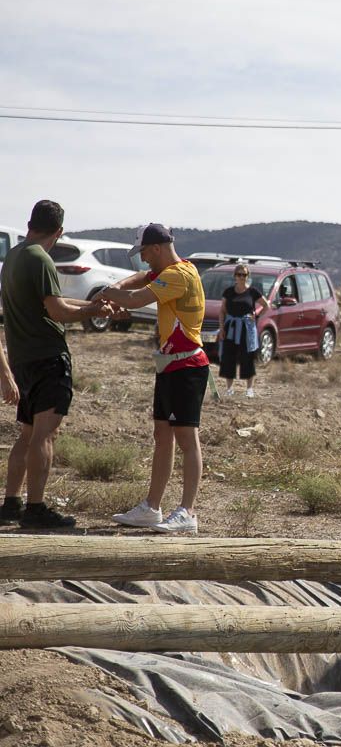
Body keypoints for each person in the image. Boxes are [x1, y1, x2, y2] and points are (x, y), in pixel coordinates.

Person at [1, 200, 114, 528]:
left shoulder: (14, 257)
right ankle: (35, 508)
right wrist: (92, 313)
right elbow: (57, 311)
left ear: (30, 223)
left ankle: (11, 503)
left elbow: (54, 302)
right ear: (60, 232)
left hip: (23, 359)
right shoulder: (41, 259)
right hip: (48, 357)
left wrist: (92, 304)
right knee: (45, 435)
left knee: (27, 433)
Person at [100, 224, 209, 534]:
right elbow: (136, 281)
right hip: (170, 366)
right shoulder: (173, 268)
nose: (143, 259)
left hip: (187, 366)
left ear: (157, 248)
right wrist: (116, 290)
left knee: (187, 440)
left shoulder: (177, 275)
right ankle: (152, 507)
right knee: (163, 436)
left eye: (144, 252)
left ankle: (188, 511)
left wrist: (108, 293)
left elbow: (135, 297)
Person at [218, 263, 266, 397]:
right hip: (231, 328)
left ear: (247, 276)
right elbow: (222, 311)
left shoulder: (253, 292)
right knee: (229, 357)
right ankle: (229, 389)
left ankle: (249, 389)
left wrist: (256, 314)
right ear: (234, 276)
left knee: (248, 357)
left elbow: (266, 305)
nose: (241, 277)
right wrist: (222, 328)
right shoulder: (228, 292)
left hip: (246, 328)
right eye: (239, 274)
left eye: (244, 275)